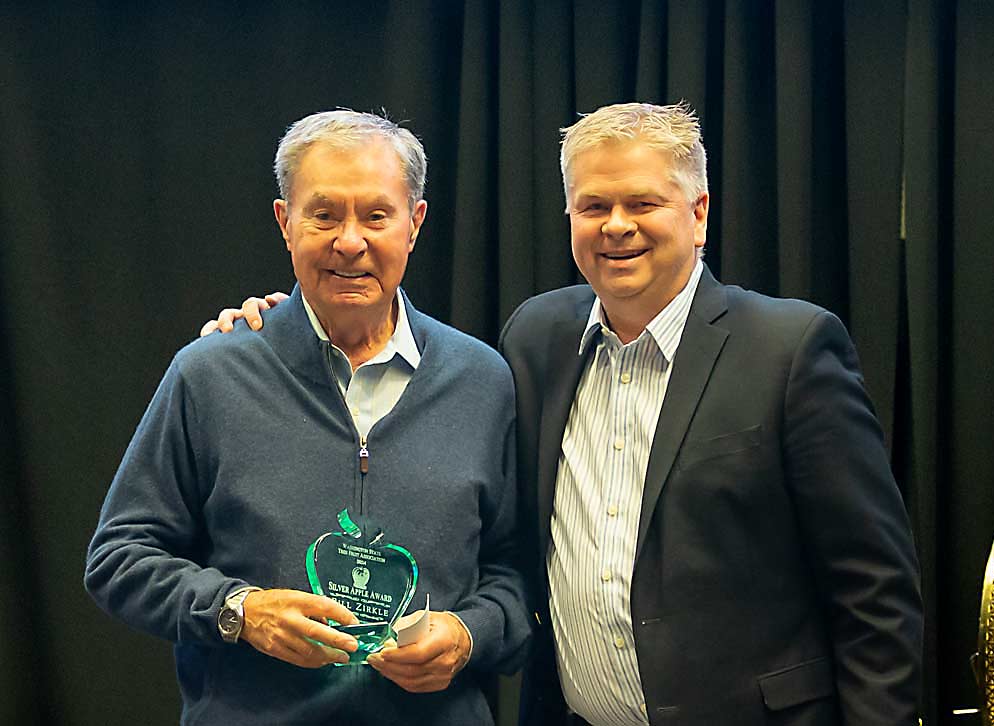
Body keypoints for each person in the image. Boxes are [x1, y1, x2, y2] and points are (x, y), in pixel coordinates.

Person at [204, 102, 923, 726]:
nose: (616, 227)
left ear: (699, 213)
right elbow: (510, 549)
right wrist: (279, 324)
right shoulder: (536, 341)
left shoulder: (790, 350)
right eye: (593, 206)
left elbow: (875, 593)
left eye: (642, 204)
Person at [85, 110, 531, 726]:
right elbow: (118, 558)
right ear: (285, 222)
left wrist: (469, 634)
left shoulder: (482, 380)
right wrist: (240, 610)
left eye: (377, 215)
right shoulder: (211, 373)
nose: (350, 241)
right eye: (324, 214)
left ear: (415, 224)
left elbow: (516, 571)